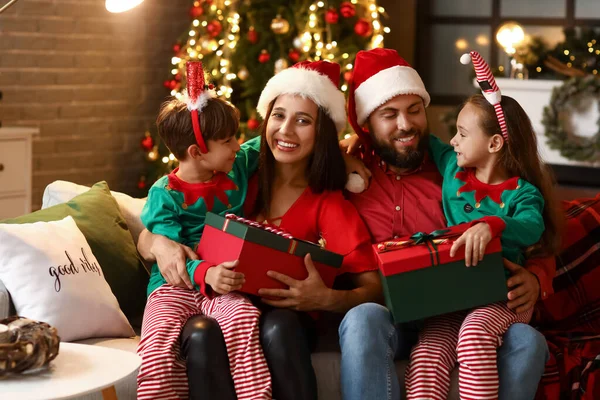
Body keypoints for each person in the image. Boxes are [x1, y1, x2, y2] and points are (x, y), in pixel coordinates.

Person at [137, 60, 382, 400]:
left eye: (303, 120)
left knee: (276, 324)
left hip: (284, 318)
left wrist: (328, 298)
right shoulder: (236, 170)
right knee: (200, 332)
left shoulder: (327, 201)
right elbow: (162, 217)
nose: (286, 131)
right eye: (279, 115)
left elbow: (374, 289)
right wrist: (157, 242)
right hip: (215, 298)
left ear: (322, 131)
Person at [338, 48, 556, 400]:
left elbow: (535, 227)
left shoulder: (452, 167)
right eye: (389, 115)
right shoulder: (347, 173)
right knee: (366, 320)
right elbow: (274, 157)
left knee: (527, 341)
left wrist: (536, 277)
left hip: (466, 302)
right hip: (391, 315)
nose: (406, 125)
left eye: (414, 111)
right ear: (366, 124)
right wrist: (337, 152)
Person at [402, 51, 563, 400]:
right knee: (429, 350)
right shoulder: (453, 170)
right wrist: (356, 145)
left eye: (461, 133)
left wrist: (492, 224)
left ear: (494, 143)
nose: (454, 141)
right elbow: (417, 139)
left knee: (474, 333)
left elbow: (532, 226)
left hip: (500, 298)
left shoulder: (523, 194)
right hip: (451, 294)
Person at [136, 61, 269, 400]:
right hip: (175, 285)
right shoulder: (163, 194)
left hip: (222, 282)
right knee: (156, 346)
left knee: (243, 317)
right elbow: (174, 255)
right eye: (227, 140)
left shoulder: (235, 166)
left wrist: (346, 149)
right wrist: (206, 274)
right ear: (196, 152)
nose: (238, 146)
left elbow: (269, 142)